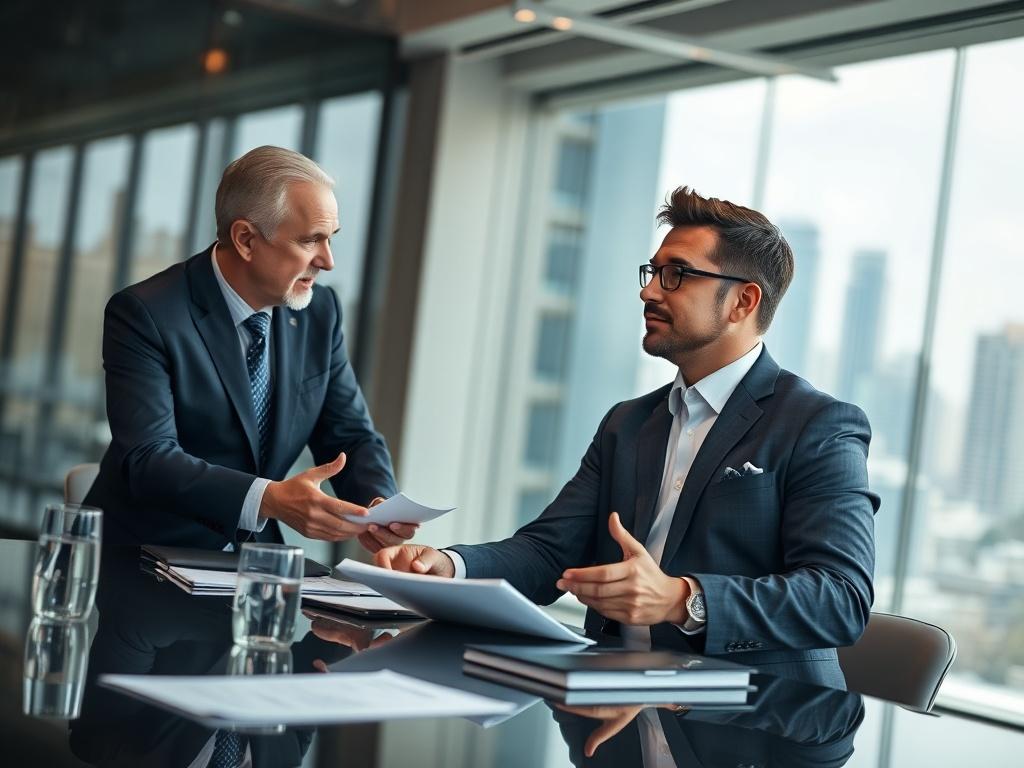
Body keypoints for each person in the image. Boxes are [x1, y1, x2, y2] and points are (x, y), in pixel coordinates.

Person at [376, 186, 879, 688]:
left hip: (759, 721)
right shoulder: (629, 422)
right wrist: (449, 566)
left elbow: (840, 597)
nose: (649, 291)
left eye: (676, 274)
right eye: (653, 272)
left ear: (743, 301)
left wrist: (682, 599)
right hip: (610, 704)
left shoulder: (818, 425)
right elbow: (549, 552)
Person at [85, 145, 413, 552]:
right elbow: (148, 459)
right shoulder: (146, 313)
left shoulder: (319, 312)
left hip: (257, 563)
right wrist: (269, 499)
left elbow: (352, 434)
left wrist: (378, 506)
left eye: (331, 240)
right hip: (146, 558)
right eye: (311, 240)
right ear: (245, 239)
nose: (327, 261)